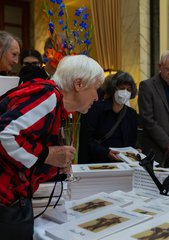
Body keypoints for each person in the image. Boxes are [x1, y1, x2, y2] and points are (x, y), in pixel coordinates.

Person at [0, 55, 104, 239]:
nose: (97, 97)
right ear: (78, 84)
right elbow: (5, 135)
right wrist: (48, 155)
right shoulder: (48, 95)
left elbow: (26, 149)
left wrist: (53, 164)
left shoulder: (54, 102)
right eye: (95, 88)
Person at [80, 71, 138, 163]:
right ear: (113, 89)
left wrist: (135, 151)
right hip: (98, 162)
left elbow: (132, 142)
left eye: (128, 89)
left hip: (123, 163)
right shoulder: (96, 109)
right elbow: (86, 139)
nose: (125, 92)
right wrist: (106, 153)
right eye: (122, 88)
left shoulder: (131, 114)